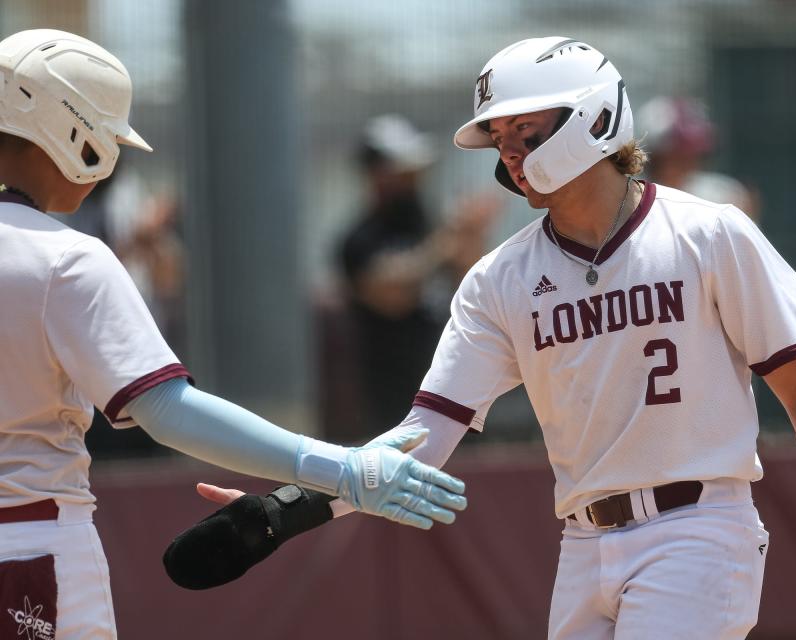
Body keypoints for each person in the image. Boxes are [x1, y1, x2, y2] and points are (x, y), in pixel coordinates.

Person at [203, 37, 796, 638]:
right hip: (583, 543)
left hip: (698, 531)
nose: (509, 154)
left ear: (596, 117)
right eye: (498, 138)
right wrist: (290, 505)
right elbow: (424, 438)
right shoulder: (498, 280)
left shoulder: (710, 233)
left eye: (525, 131)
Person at [0, 29, 466, 639]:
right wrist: (343, 468)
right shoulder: (62, 258)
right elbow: (167, 410)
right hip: (29, 543)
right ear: (73, 135)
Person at [334, 114, 499, 441]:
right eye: (402, 171)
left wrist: (471, 236)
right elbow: (390, 293)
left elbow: (472, 287)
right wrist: (446, 242)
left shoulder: (426, 223)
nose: (413, 180)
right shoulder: (358, 240)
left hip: (455, 385)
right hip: (393, 398)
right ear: (376, 174)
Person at [635, 95, 756, 219]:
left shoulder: (723, 197)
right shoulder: (629, 199)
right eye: (678, 156)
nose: (689, 164)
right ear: (654, 158)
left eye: (693, 155)